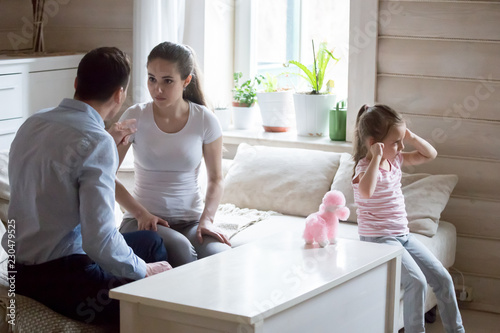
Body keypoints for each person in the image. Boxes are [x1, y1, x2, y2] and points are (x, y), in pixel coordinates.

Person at [1, 47, 172, 326]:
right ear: (119, 95)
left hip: (17, 267)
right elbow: (98, 240)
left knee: (151, 242)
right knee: (151, 301)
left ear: (77, 83)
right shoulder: (97, 141)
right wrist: (144, 271)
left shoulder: (33, 123)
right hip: (63, 275)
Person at [116, 41, 231, 268]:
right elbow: (104, 174)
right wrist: (141, 214)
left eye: (167, 81)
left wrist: (207, 219)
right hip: (142, 222)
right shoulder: (135, 116)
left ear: (186, 80)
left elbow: (216, 178)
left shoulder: (205, 119)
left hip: (190, 221)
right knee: (180, 248)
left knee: (222, 255)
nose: (157, 89)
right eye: (152, 79)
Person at [351, 104, 464, 333]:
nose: (401, 147)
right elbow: (366, 191)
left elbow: (430, 154)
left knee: (443, 279)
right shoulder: (364, 168)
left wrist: (408, 135)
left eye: (402, 141)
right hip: (379, 239)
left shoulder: (396, 160)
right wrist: (375, 158)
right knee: (417, 281)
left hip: (403, 235)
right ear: (374, 144)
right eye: (396, 142)